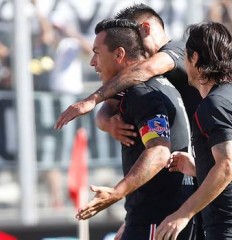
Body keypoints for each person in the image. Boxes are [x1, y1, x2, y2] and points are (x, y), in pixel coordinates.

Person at [75, 18, 195, 240]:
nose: (92, 62)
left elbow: (159, 152)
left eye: (97, 53)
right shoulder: (160, 84)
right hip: (158, 215)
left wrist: (116, 193)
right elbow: (107, 109)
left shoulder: (142, 92)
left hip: (156, 218)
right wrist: (105, 121)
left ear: (119, 55)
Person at [155, 22, 232, 240]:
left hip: (231, 230)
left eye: (186, 56)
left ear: (195, 58)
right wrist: (201, 168)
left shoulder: (215, 104)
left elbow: (228, 166)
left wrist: (182, 214)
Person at [54, 3, 201, 132]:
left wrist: (92, 99)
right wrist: (107, 122)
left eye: (133, 36)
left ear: (146, 28)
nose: (132, 43)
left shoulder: (177, 49)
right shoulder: (138, 71)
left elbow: (147, 69)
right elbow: (110, 104)